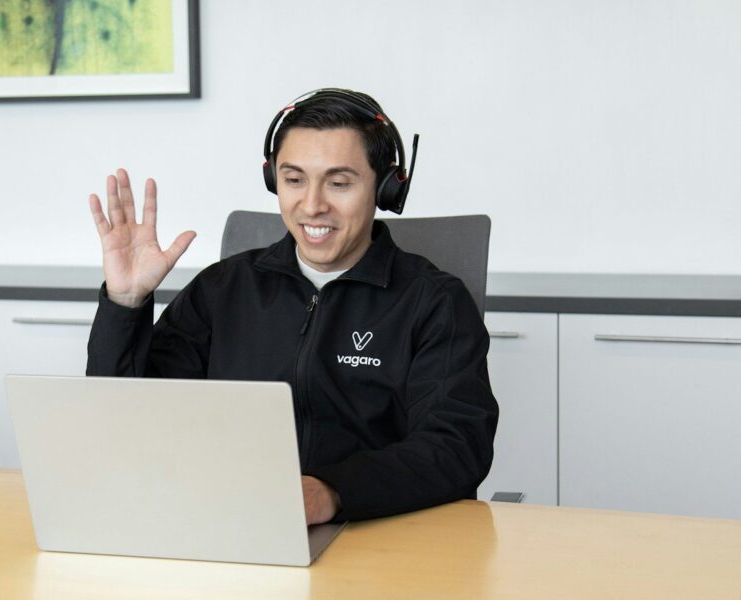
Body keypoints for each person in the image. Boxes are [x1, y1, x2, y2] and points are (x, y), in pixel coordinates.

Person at [86, 88, 498, 524]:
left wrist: (331, 492)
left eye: (339, 183)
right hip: (232, 524)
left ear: (385, 187)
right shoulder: (222, 289)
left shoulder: (433, 301)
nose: (312, 205)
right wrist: (125, 304)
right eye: (294, 179)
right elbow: (128, 423)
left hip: (379, 536)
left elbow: (456, 446)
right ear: (273, 181)